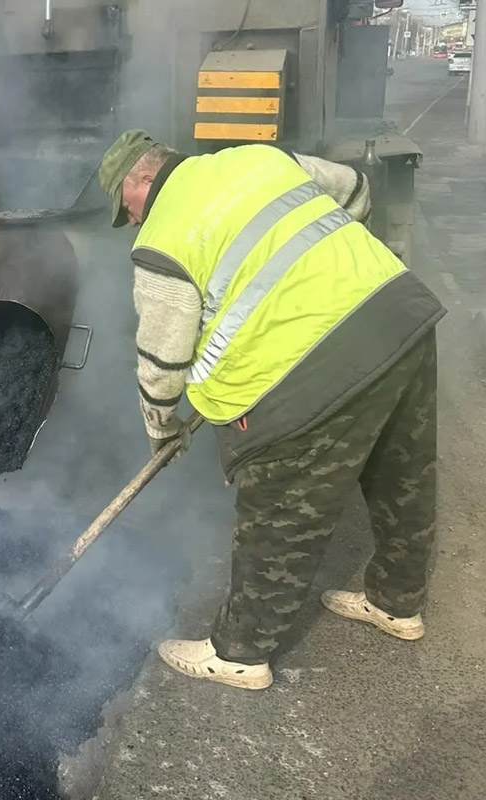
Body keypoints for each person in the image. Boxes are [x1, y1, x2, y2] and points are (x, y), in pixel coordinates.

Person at [96, 130, 445, 690]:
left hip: (310, 375)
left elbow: (162, 360)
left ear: (142, 177)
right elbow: (356, 190)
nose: (132, 221)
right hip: (398, 318)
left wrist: (161, 428)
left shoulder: (163, 240)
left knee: (280, 513)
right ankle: (396, 602)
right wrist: (330, 272)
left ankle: (240, 653)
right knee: (402, 475)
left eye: (126, 208)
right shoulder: (257, 159)